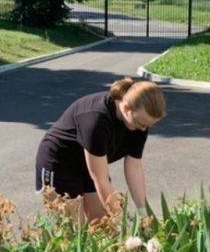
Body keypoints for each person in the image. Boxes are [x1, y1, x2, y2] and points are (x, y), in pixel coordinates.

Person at [35, 77, 166, 220]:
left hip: (90, 163)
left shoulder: (139, 122)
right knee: (74, 230)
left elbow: (134, 167)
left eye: (148, 125)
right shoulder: (96, 120)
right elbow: (100, 179)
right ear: (126, 107)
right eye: (140, 123)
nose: (143, 129)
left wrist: (143, 213)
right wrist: (122, 221)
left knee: (103, 225)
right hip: (60, 162)